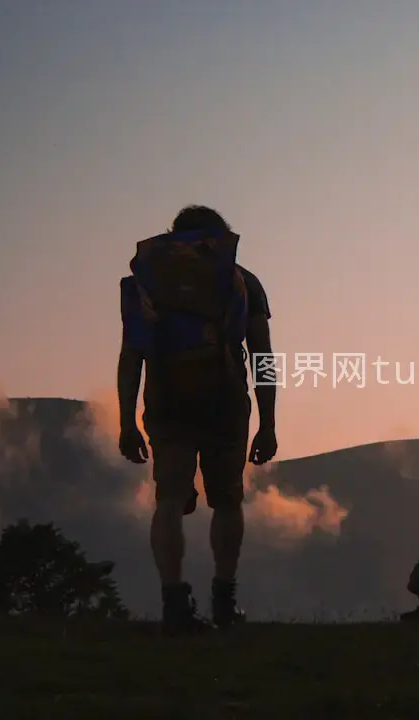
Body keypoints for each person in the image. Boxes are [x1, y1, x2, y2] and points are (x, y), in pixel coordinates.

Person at [116, 204, 278, 633]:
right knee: (227, 501)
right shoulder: (242, 281)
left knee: (168, 500)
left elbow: (131, 355)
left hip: (166, 399)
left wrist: (126, 420)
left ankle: (174, 603)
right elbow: (262, 355)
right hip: (224, 400)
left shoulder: (147, 283)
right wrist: (268, 421)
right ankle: (224, 601)